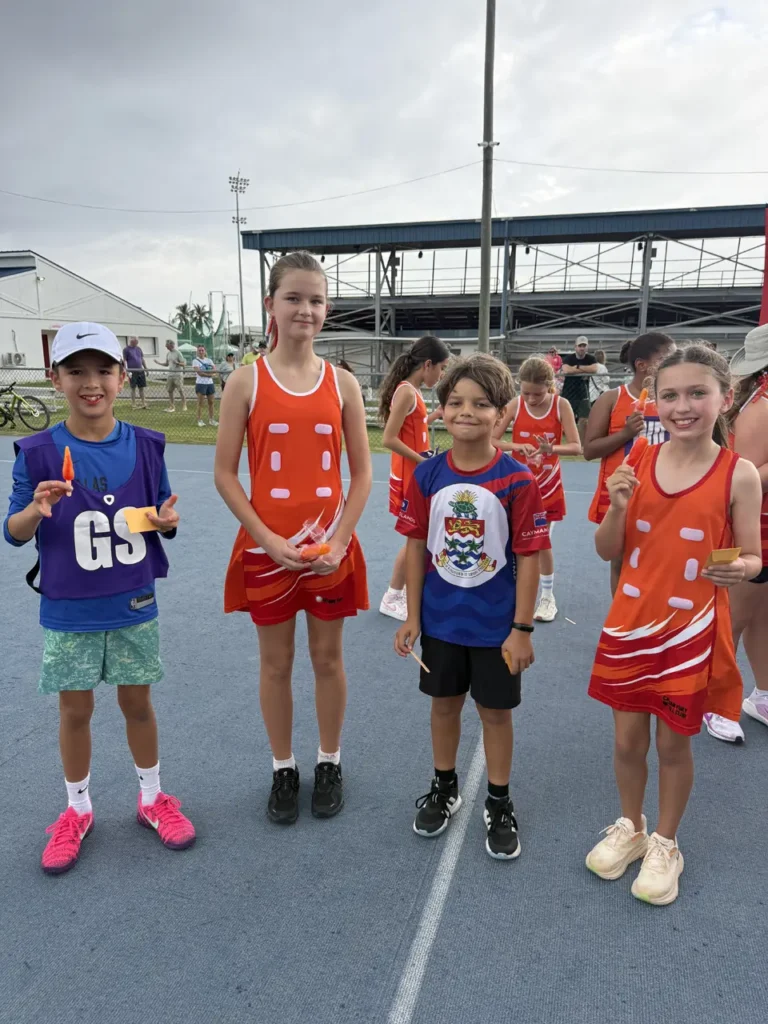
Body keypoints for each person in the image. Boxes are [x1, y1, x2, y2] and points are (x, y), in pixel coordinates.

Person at [2, 322, 195, 875]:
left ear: (121, 375)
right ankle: (77, 809)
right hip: (69, 609)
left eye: (103, 370)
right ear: (54, 377)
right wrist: (34, 511)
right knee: (75, 710)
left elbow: (160, 514)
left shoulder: (147, 445)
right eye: (77, 371)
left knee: (138, 704)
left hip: (132, 603)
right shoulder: (38, 453)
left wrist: (167, 521)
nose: (92, 383)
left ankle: (153, 798)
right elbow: (12, 533)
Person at [585, 344, 762, 906]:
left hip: (689, 633)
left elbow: (755, 557)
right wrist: (615, 508)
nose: (682, 406)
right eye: (670, 396)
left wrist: (741, 568)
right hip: (629, 624)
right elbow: (605, 549)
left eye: (696, 393)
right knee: (626, 739)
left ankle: (667, 842)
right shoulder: (636, 457)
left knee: (672, 746)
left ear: (724, 398)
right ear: (653, 402)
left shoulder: (741, 474)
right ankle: (631, 827)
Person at [215, 251, 371, 825]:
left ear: (326, 309)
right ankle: (284, 767)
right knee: (276, 664)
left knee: (328, 659)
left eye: (316, 300)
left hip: (330, 550)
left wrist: (339, 539)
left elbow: (362, 475)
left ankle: (329, 760)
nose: (306, 309)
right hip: (267, 551)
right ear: (271, 305)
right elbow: (226, 475)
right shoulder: (244, 382)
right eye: (294, 298)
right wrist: (265, 538)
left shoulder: (344, 384)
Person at [394, 354, 550, 860]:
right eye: (456, 402)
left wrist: (522, 628)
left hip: (495, 627)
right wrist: (412, 616)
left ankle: (498, 800)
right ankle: (444, 786)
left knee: (495, 714)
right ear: (440, 410)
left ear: (501, 412)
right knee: (443, 706)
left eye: (481, 404)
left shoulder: (517, 480)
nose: (467, 412)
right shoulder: (426, 476)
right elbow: (416, 548)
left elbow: (527, 558)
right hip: (440, 621)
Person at [703, 323, 768, 743]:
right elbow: (743, 480)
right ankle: (713, 701)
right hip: (748, 531)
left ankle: (761, 693)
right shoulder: (762, 408)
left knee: (762, 617)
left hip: (759, 528)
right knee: (734, 619)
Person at [584, 332, 675, 593]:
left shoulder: (673, 400)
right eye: (666, 357)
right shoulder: (613, 398)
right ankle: (622, 621)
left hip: (665, 493)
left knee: (664, 560)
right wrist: (624, 434)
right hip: (623, 493)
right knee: (620, 561)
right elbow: (589, 449)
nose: (673, 361)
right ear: (642, 365)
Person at [492, 356, 581, 622]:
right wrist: (517, 446)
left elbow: (577, 447)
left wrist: (550, 448)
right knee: (508, 539)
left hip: (548, 485)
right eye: (525, 392)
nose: (531, 399)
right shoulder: (515, 405)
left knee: (541, 542)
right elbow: (493, 439)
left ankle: (547, 597)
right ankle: (511, 591)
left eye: (537, 393)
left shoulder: (560, 405)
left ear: (550, 387)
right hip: (518, 484)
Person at [378, 335, 451, 621]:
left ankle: (401, 592)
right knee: (414, 539)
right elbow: (388, 438)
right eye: (441, 368)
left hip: (417, 475)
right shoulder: (407, 391)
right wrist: (423, 460)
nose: (442, 374)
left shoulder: (413, 392)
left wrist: (434, 415)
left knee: (421, 537)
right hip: (411, 476)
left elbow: (415, 425)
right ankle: (393, 596)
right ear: (428, 364)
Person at [560, 336, 598, 443]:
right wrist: (584, 370)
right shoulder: (569, 358)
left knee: (584, 420)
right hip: (568, 392)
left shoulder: (591, 358)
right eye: (580, 346)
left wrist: (576, 368)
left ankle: (582, 444)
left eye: (584, 346)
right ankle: (570, 442)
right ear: (575, 347)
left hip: (583, 392)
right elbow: (566, 370)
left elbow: (594, 369)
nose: (582, 348)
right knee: (567, 419)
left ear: (587, 347)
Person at [155, 339, 187, 413]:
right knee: (170, 391)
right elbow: (167, 364)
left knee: (180, 390)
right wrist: (158, 363)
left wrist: (177, 363)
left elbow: (184, 363)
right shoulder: (168, 354)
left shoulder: (178, 353)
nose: (166, 346)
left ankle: (184, 405)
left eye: (167, 345)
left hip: (178, 375)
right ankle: (172, 406)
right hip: (170, 375)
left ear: (171, 345)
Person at [192, 345, 217, 427]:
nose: (201, 352)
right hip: (201, 383)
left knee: (211, 402)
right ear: (197, 352)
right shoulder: (195, 361)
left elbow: (214, 370)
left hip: (210, 383)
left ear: (205, 351)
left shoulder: (209, 360)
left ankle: (211, 419)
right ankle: (199, 420)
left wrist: (210, 374)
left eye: (202, 350)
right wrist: (209, 374)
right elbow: (199, 372)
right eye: (199, 350)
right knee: (200, 403)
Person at [123, 337, 148, 410]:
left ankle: (143, 403)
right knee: (133, 388)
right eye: (136, 342)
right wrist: (126, 370)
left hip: (140, 370)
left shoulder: (139, 349)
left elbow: (142, 359)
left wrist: (146, 368)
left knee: (141, 388)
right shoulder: (126, 349)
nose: (137, 343)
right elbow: (124, 360)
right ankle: (133, 404)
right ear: (132, 341)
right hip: (132, 371)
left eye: (137, 342)